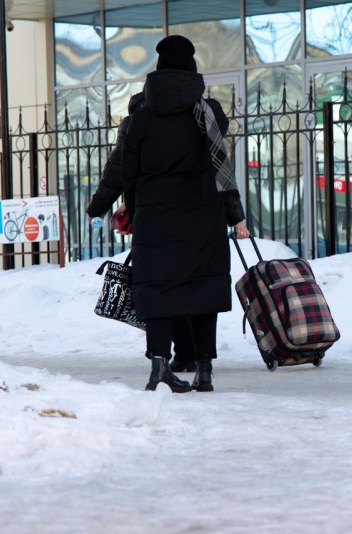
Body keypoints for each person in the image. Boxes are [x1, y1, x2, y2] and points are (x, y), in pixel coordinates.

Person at [122, 35, 250, 393]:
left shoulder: (141, 120)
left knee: (158, 294)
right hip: (202, 219)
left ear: (158, 72)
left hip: (155, 221)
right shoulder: (207, 114)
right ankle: (204, 369)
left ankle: (159, 368)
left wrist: (137, 213)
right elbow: (220, 169)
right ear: (193, 71)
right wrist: (234, 216)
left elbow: (129, 175)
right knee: (202, 288)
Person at [87, 92, 198, 374]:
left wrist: (97, 206)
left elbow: (116, 170)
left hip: (151, 222)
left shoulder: (135, 124)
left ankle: (160, 355)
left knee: (155, 288)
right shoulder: (181, 123)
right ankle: (187, 352)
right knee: (180, 286)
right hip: (186, 220)